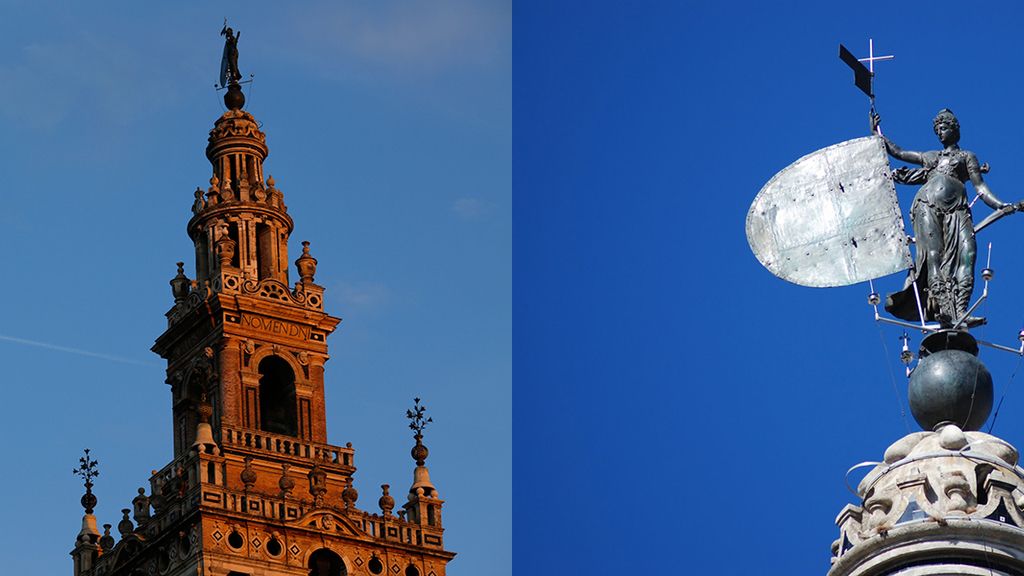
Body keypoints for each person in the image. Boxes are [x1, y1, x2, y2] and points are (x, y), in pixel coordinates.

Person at [873, 109, 1012, 327]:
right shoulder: (930, 157)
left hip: (957, 210)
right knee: (933, 256)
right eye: (937, 129)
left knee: (968, 255)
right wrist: (877, 134)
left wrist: (1001, 204)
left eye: (944, 127)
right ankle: (945, 309)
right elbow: (899, 153)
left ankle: (961, 311)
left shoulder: (967, 157)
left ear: (955, 129)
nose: (940, 133)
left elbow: (981, 188)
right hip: (927, 205)